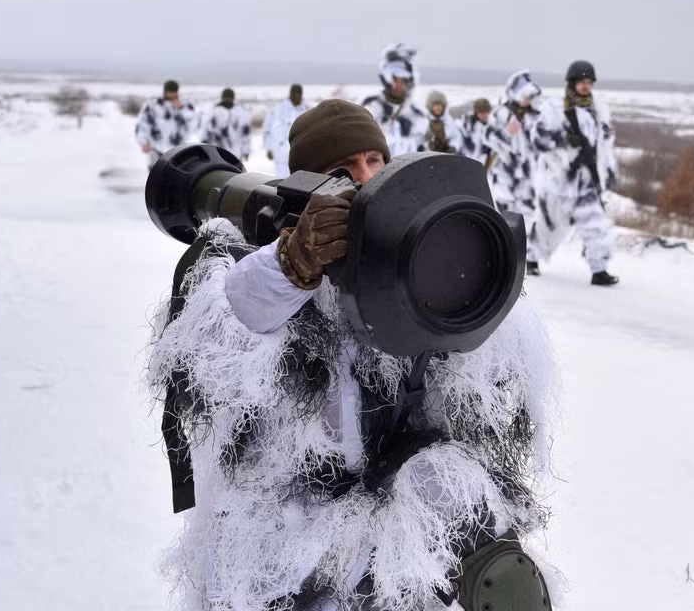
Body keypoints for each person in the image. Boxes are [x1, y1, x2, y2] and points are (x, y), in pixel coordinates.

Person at [146, 99, 555, 611]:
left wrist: (474, 284)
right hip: (283, 532)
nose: (364, 179)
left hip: (388, 519)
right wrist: (293, 266)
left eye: (374, 161)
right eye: (342, 171)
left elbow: (485, 381)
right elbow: (219, 351)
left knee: (479, 528)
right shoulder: (250, 268)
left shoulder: (409, 263)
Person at [528, 60, 620, 286]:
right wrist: (562, 139)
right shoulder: (554, 108)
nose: (586, 86)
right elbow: (537, 140)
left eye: (589, 82)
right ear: (572, 83)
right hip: (558, 182)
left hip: (587, 182)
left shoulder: (599, 109)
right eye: (581, 82)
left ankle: (599, 270)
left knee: (597, 226)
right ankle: (530, 259)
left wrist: (609, 171)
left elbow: (605, 145)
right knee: (548, 227)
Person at [483, 71, 559, 276]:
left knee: (527, 219)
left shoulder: (537, 117)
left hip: (528, 175)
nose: (526, 101)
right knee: (505, 216)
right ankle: (503, 257)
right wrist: (508, 133)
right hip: (506, 173)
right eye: (523, 96)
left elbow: (545, 144)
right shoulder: (501, 113)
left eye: (529, 97)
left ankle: (527, 259)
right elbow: (489, 138)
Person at [362, 43, 427, 156]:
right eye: (395, 79)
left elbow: (424, 148)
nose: (399, 84)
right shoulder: (372, 106)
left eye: (404, 80)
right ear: (386, 78)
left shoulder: (417, 114)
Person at [136, 79, 198, 169]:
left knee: (176, 176)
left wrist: (181, 108)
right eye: (170, 92)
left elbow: (194, 123)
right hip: (156, 148)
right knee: (155, 175)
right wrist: (143, 141)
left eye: (174, 92)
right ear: (165, 92)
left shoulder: (185, 105)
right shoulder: (153, 105)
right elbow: (143, 124)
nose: (172, 95)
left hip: (177, 150)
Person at [263, 84, 309, 177]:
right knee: (281, 181)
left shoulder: (307, 111)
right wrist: (268, 148)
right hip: (280, 154)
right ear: (290, 94)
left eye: (298, 94)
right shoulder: (277, 110)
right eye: (294, 93)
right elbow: (267, 129)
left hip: (299, 154)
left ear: (301, 95)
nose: (296, 96)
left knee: (298, 181)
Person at [201, 87, 252, 161]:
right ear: (222, 98)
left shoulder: (241, 112)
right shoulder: (213, 111)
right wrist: (204, 147)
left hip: (236, 153)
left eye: (230, 97)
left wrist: (246, 151)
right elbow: (205, 130)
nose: (228, 99)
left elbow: (246, 134)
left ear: (233, 98)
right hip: (217, 152)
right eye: (226, 97)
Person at [460, 98, 495, 165]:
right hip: (469, 161)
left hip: (486, 162)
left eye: (486, 112)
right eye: (482, 112)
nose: (484, 115)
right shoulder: (468, 124)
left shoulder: (492, 125)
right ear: (476, 112)